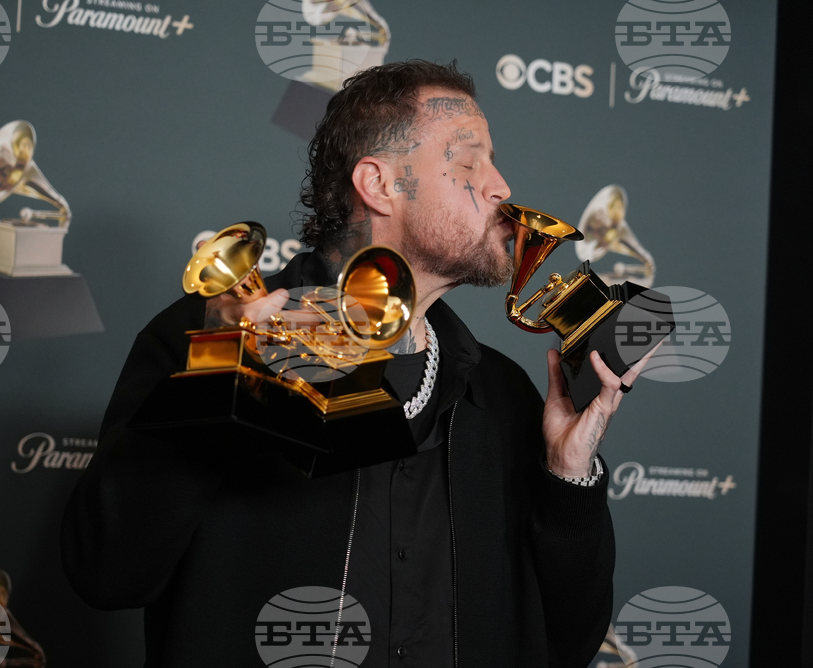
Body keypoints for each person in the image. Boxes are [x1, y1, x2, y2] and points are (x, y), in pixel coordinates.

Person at [61, 60, 646, 668]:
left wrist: (567, 477)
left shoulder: (503, 392)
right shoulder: (204, 338)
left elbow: (570, 641)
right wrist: (221, 380)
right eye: (470, 162)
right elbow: (106, 576)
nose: (500, 186)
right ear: (380, 183)